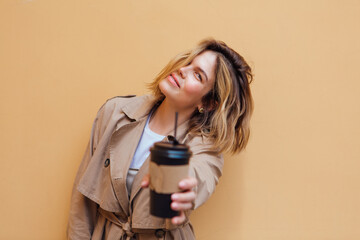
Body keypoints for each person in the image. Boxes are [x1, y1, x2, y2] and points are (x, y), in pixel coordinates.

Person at [67, 38, 253, 240]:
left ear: (208, 103)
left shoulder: (204, 148)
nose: (183, 70)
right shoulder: (115, 113)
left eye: (198, 75)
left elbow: (200, 176)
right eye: (188, 63)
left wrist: (183, 187)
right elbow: (82, 203)